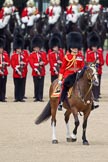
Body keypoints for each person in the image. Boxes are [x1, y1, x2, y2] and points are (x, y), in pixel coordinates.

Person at [57, 32, 85, 111]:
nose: (75, 49)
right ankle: (61, 102)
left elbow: (82, 65)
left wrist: (81, 71)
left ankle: (92, 102)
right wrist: (60, 79)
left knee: (87, 83)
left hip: (78, 74)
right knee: (65, 87)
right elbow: (62, 68)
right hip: (68, 74)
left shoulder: (80, 56)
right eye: (73, 48)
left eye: (76, 48)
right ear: (70, 48)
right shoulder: (67, 57)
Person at [86, 31, 104, 101]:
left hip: (98, 70)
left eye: (95, 47)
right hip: (92, 71)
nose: (95, 48)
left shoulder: (99, 53)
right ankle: (93, 96)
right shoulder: (89, 53)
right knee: (92, 84)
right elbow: (88, 61)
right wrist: (94, 63)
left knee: (98, 83)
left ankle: (97, 95)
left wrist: (100, 62)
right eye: (93, 47)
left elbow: (102, 61)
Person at [29, 35, 48, 102]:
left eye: (38, 48)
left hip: (42, 71)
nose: (37, 49)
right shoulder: (32, 54)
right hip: (35, 72)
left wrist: (43, 63)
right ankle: (36, 96)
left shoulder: (43, 54)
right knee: (36, 85)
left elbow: (46, 61)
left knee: (41, 85)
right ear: (34, 48)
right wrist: (36, 67)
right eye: (35, 48)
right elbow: (31, 63)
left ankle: (40, 97)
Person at [10, 34, 29, 102]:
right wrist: (16, 68)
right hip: (16, 73)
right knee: (17, 85)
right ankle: (17, 97)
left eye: (20, 49)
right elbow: (12, 63)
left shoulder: (24, 55)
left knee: (22, 84)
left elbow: (26, 61)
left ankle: (21, 97)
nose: (19, 50)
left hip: (23, 72)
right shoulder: (13, 56)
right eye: (18, 49)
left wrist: (23, 64)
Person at [0, 36, 10, 102]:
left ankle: (2, 97)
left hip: (4, 72)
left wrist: (5, 63)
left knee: (3, 85)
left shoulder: (5, 54)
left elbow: (9, 63)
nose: (1, 50)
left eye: (1, 48)